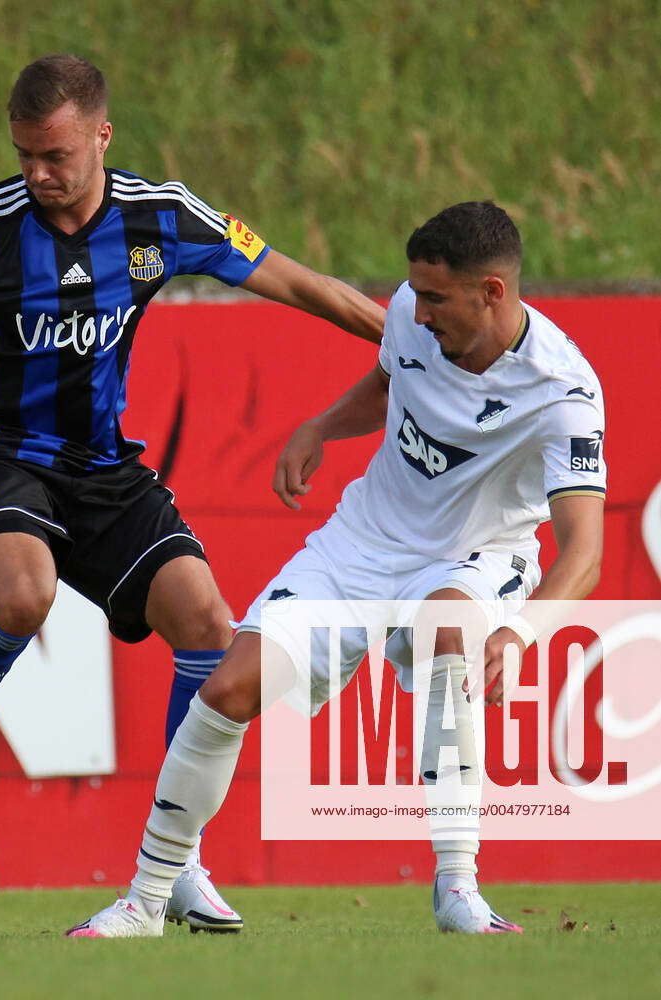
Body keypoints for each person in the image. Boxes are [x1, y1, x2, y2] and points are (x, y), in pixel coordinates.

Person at [0, 53, 384, 933]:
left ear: (102, 136)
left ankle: (179, 863)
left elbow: (298, 281)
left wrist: (408, 349)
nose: (39, 175)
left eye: (57, 156)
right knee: (25, 593)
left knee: (207, 628)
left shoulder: (164, 217)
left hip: (102, 468)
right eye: (25, 156)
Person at [67, 201, 607, 937]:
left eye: (435, 298)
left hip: (473, 555)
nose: (415, 312)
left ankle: (457, 889)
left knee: (450, 629)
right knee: (229, 687)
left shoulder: (562, 392)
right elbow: (393, 382)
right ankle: (146, 900)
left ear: (492, 292)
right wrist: (321, 426)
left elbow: (582, 550)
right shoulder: (412, 318)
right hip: (359, 544)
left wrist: (519, 636)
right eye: (412, 293)